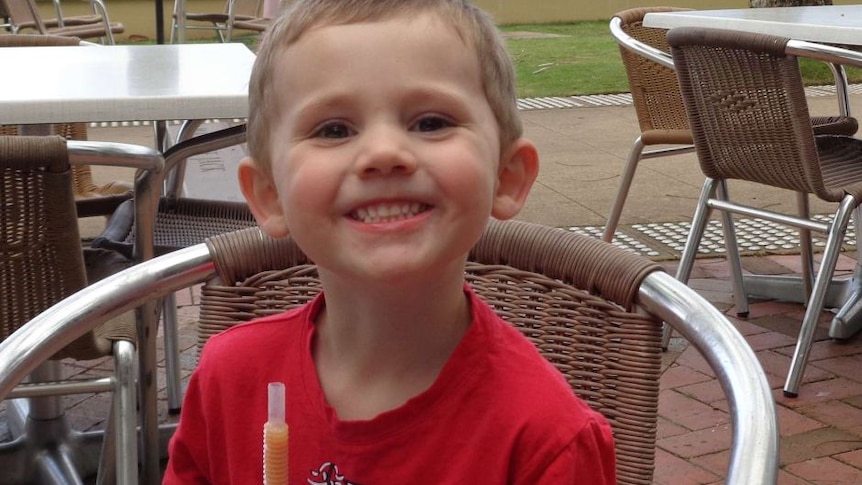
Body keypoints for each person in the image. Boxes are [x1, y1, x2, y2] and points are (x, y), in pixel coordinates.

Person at [162, 0, 616, 483]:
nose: (383, 154)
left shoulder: (546, 442)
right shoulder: (229, 379)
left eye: (431, 122)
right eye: (333, 129)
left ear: (506, 177)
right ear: (269, 195)